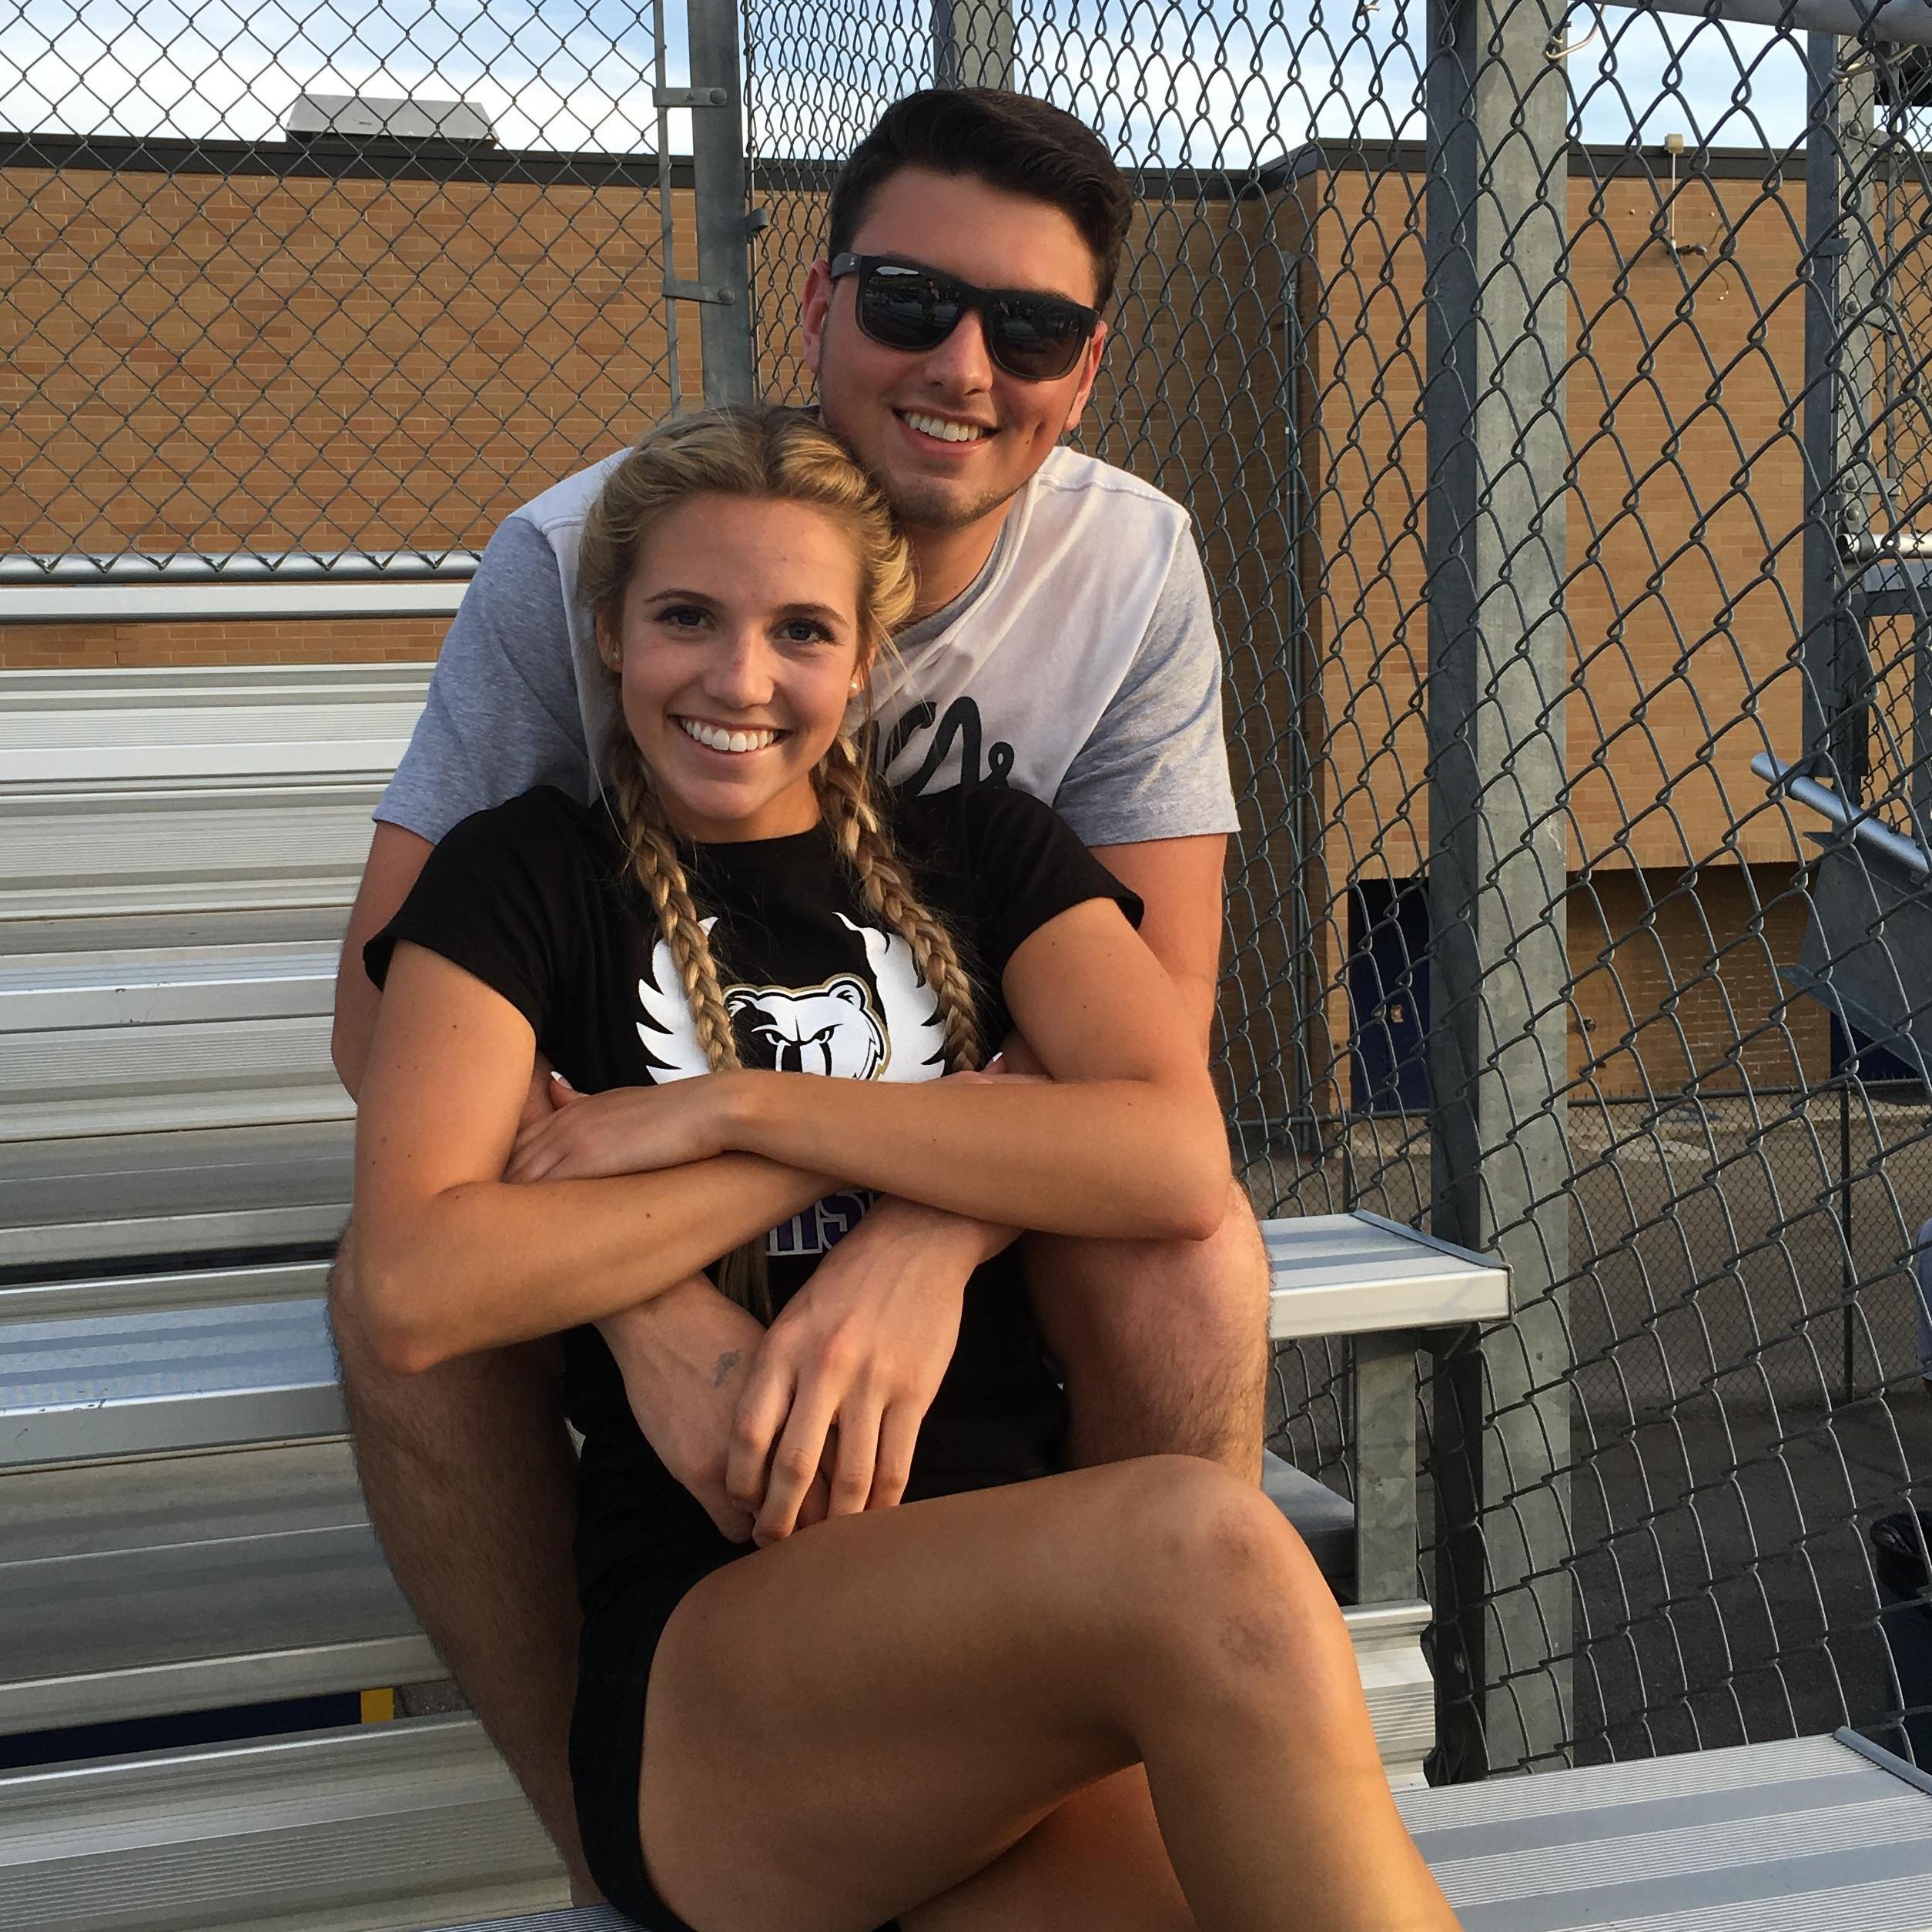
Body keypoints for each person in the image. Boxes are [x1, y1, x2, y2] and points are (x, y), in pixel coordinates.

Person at [329, 87, 1271, 1893]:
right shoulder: (596, 553)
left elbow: (1163, 1048)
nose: (964, 364)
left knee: (1196, 1251)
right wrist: (653, 1300)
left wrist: (914, 1222)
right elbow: (384, 1032)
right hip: (618, 1150)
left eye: (1033, 328)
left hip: (930, 1159)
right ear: (822, 303)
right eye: (913, 300)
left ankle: (1097, 1771)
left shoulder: (1130, 570)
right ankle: (613, 1852)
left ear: (1085, 368)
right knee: (389, 1304)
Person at [351, 405, 1456, 1932]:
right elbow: (415, 1283)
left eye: (800, 629)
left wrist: (750, 1116)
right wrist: (944, 1130)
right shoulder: (526, 876)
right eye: (686, 618)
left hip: (1013, 1693)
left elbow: (1167, 1150)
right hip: (730, 1687)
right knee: (1213, 1558)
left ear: (866, 661)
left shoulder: (983, 852)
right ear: (607, 633)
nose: (740, 679)